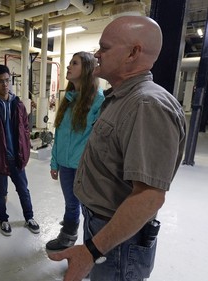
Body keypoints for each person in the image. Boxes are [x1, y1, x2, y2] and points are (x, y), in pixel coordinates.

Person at [48, 16, 186, 281]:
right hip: (103, 226)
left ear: (133, 53)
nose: (97, 54)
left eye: (105, 47)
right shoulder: (120, 98)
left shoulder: (147, 106)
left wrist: (91, 250)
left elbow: (149, 197)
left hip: (119, 238)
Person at [46, 52, 104, 251]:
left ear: (87, 69)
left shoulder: (98, 101)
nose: (69, 67)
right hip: (65, 165)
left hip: (84, 167)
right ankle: (68, 238)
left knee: (89, 210)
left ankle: (90, 252)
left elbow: (98, 140)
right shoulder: (69, 99)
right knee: (71, 205)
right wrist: (55, 163)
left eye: (74, 63)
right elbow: (59, 134)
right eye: (70, 63)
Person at [0, 64, 40, 236]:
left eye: (7, 80)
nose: (5, 85)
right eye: (0, 81)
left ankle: (29, 217)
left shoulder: (18, 105)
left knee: (23, 189)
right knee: (1, 191)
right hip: (0, 158)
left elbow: (25, 129)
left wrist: (25, 150)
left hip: (17, 157)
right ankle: (3, 219)